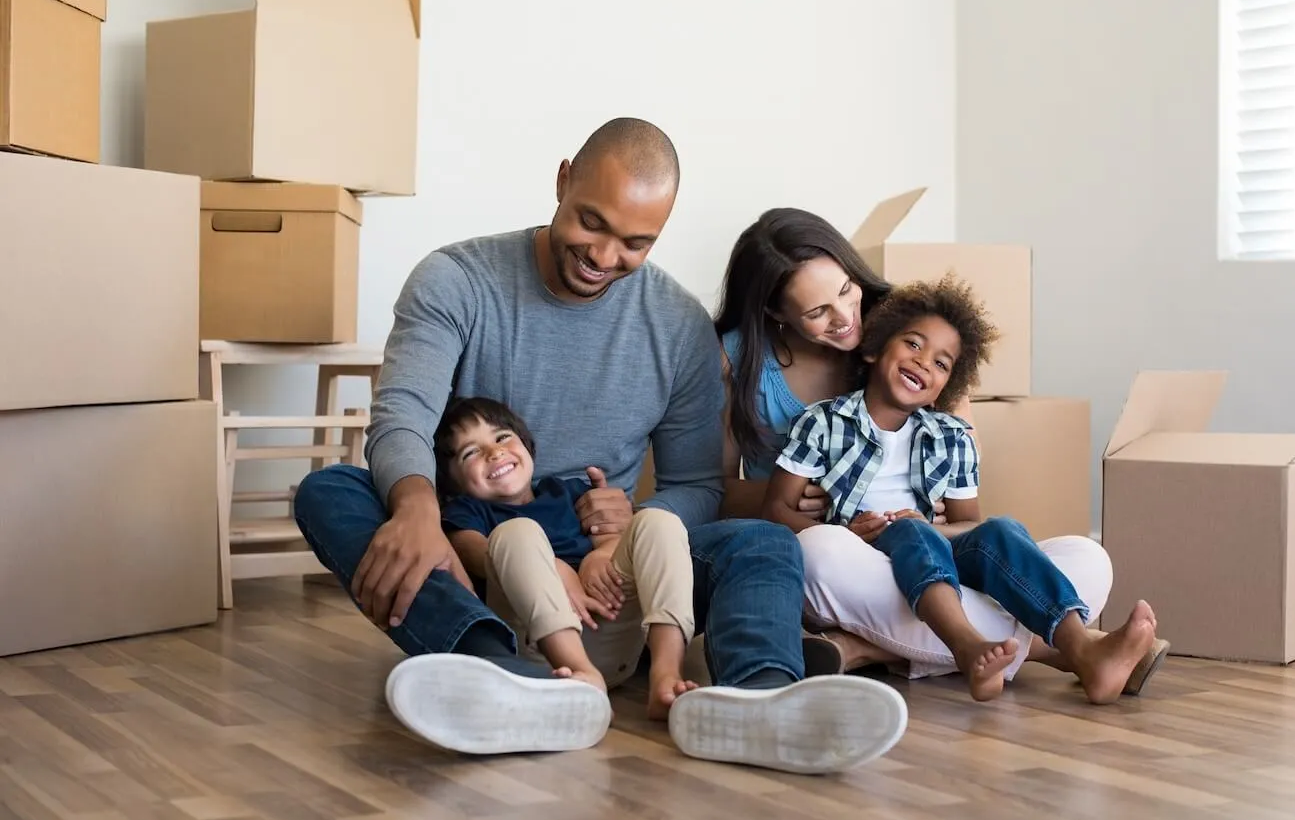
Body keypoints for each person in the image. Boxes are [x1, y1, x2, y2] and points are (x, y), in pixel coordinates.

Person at [294, 118, 907, 773]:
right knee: (331, 492)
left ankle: (757, 697)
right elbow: (404, 414)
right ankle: (492, 666)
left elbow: (698, 483)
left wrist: (627, 531)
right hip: (477, 550)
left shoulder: (676, 325)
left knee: (762, 541)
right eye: (592, 223)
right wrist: (418, 510)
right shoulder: (456, 280)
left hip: (614, 575)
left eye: (635, 243)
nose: (605, 256)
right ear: (563, 181)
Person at [713, 207, 1169, 692]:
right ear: (776, 313)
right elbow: (715, 491)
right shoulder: (773, 385)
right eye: (817, 311)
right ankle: (1060, 651)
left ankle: (866, 648)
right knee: (821, 551)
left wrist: (937, 527)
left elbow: (966, 513)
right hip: (842, 557)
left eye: (846, 290)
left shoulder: (914, 333)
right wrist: (813, 504)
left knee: (1087, 559)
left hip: (934, 551)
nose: (847, 318)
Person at [433, 395, 698, 719]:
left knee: (659, 522)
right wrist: (553, 567)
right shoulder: (467, 511)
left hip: (611, 625)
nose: (494, 452)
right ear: (452, 482)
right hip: (542, 648)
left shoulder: (567, 491)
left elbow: (614, 539)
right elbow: (473, 554)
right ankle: (581, 674)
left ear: (527, 447)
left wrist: (598, 557)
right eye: (471, 452)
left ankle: (666, 675)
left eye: (502, 437)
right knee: (517, 532)